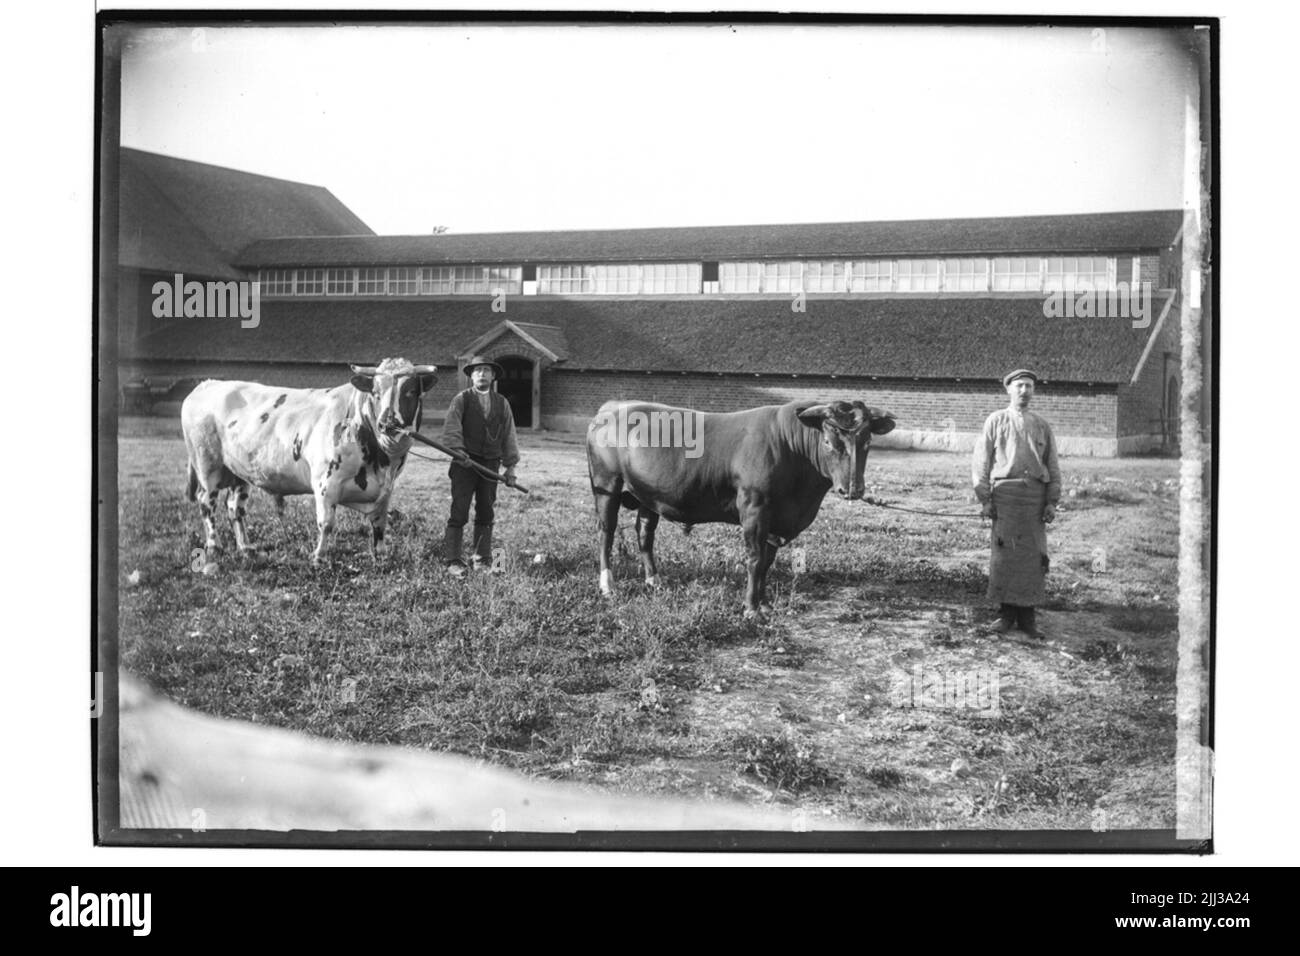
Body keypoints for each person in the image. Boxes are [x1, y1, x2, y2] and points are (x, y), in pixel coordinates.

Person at [972, 369, 1061, 639]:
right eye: (1020, 386)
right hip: (1005, 498)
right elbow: (981, 463)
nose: (1024, 391)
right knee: (1005, 554)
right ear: (1009, 389)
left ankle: (1027, 617)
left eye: (1029, 386)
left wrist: (1051, 501)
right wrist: (985, 499)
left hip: (1034, 500)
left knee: (1033, 557)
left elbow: (1052, 465)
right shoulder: (996, 420)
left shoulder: (1042, 425)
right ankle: (1006, 614)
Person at [440, 356, 519, 576]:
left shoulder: (502, 403)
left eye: (486, 370)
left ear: (493, 376)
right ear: (471, 376)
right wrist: (459, 452)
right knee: (459, 511)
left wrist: (510, 467)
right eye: (478, 370)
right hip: (464, 464)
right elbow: (452, 429)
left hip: (490, 464)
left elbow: (509, 435)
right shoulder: (461, 400)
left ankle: (482, 559)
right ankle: (453, 560)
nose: (482, 374)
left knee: (486, 510)